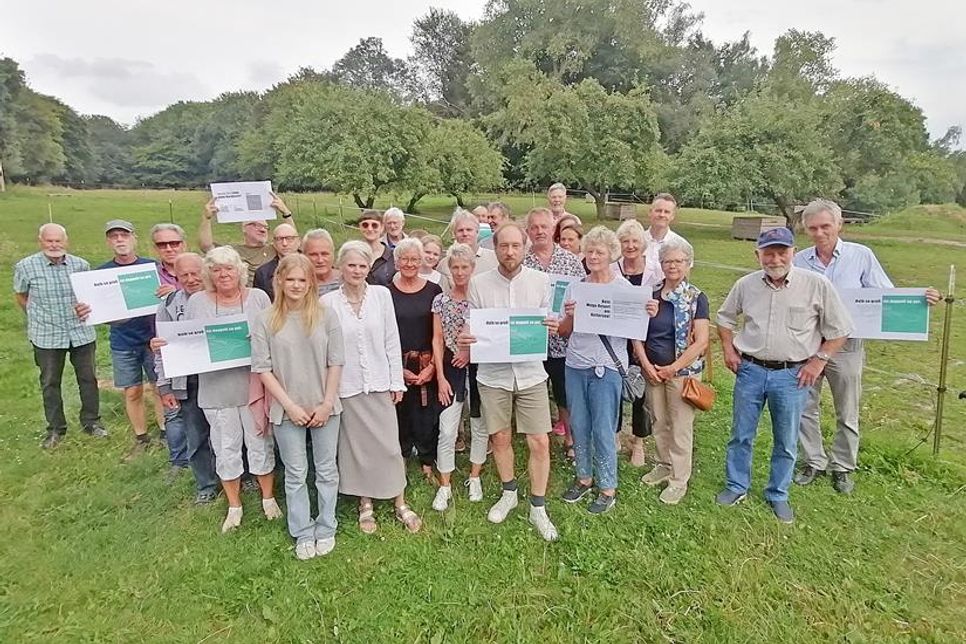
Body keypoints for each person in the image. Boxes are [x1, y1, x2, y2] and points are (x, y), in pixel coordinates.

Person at [792, 199, 942, 494]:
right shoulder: (800, 260)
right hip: (807, 343)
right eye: (813, 228)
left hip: (846, 345)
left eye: (825, 226)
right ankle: (813, 460)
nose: (820, 233)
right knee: (805, 405)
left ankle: (843, 466)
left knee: (846, 408)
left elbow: (885, 294)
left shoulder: (860, 256)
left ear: (839, 225)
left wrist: (920, 298)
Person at [716, 227, 853, 523]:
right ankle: (736, 485)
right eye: (768, 253)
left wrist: (818, 362)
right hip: (750, 370)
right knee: (741, 434)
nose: (775, 259)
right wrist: (728, 348)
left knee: (786, 439)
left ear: (793, 252)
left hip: (792, 375)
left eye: (782, 252)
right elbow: (725, 317)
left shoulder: (816, 285)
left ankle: (778, 493)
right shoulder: (745, 285)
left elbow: (839, 330)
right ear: (758, 255)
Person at [458, 221, 560, 541]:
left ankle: (538, 506)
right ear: (495, 247)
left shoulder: (542, 281)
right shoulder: (478, 284)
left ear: (525, 247)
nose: (510, 251)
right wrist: (467, 336)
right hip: (493, 374)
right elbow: (470, 325)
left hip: (530, 373)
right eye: (504, 246)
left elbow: (550, 321)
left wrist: (553, 325)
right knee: (499, 437)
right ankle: (509, 492)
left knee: (539, 441)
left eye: (516, 245)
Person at [322, 241, 422, 534]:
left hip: (380, 383)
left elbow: (392, 339)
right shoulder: (328, 303)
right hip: (348, 386)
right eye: (351, 265)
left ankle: (399, 501)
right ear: (341, 267)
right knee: (358, 449)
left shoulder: (381, 296)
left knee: (390, 446)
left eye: (362, 265)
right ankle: (365, 503)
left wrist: (396, 381)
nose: (356, 270)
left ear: (369, 268)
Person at [252, 254, 344, 560]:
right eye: (290, 279)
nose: (296, 285)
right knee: (295, 472)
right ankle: (303, 530)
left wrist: (327, 403)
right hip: (286, 408)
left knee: (326, 469)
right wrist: (289, 405)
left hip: (324, 404)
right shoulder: (266, 320)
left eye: (302, 280)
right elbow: (263, 368)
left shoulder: (326, 316)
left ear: (311, 283)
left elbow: (336, 362)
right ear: (279, 280)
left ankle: (327, 525)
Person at [186, 247, 279, 533]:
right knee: (225, 447)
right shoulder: (197, 302)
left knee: (260, 442)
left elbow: (274, 334)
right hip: (216, 388)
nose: (223, 274)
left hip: (253, 385)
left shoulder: (259, 298)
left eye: (229, 268)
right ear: (209, 274)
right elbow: (186, 341)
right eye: (216, 269)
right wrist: (164, 347)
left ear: (239, 271)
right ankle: (234, 505)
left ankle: (268, 498)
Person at [557, 226, 639, 513]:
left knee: (603, 428)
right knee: (578, 425)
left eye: (599, 252)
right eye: (589, 250)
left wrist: (646, 312)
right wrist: (568, 316)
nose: (593, 256)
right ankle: (583, 477)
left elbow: (634, 331)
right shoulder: (575, 286)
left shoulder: (624, 290)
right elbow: (564, 332)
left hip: (607, 367)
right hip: (575, 365)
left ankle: (607, 487)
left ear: (611, 255)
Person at [77, 220, 169, 461]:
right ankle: (141, 437)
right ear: (108, 241)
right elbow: (94, 309)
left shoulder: (152, 267)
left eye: (124, 235)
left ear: (133, 238)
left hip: (153, 336)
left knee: (160, 387)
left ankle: (165, 432)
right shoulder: (99, 274)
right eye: (114, 236)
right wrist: (87, 312)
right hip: (123, 341)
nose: (120, 240)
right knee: (132, 391)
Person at [14, 223, 104, 449]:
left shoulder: (81, 265)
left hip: (80, 332)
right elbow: (21, 296)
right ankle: (55, 428)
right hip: (47, 334)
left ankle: (91, 422)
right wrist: (37, 316)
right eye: (49, 240)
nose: (54, 245)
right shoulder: (26, 266)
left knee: (88, 379)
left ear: (66, 241)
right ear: (40, 241)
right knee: (50, 382)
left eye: (58, 240)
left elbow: (89, 296)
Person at [635, 239, 708, 505]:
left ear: (688, 264)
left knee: (680, 426)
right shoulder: (651, 294)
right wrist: (646, 365)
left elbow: (701, 341)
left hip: (681, 373)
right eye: (667, 261)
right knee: (659, 420)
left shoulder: (696, 297)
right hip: (652, 370)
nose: (673, 266)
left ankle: (679, 479)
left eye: (678, 261)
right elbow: (637, 333)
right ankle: (664, 464)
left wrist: (672, 369)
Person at [151, 253, 219, 502]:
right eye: (184, 276)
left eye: (195, 273)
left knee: (229, 433)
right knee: (196, 435)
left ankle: (240, 478)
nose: (191, 279)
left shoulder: (220, 298)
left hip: (220, 378)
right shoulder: (169, 304)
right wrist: (164, 386)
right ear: (176, 278)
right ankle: (206, 485)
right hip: (188, 381)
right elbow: (161, 349)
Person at [522, 207, 585, 453]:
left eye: (544, 227)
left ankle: (571, 438)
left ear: (553, 229)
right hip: (530, 339)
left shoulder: (570, 261)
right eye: (534, 227)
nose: (539, 231)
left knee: (563, 393)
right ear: (528, 231)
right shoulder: (522, 262)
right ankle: (536, 440)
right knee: (531, 393)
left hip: (563, 341)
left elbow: (582, 295)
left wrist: (572, 312)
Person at [431, 244, 489, 510]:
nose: (460, 272)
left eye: (465, 267)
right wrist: (440, 377)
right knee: (447, 428)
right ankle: (445, 484)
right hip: (450, 367)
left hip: (479, 368)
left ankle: (474, 476)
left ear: (472, 269)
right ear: (449, 269)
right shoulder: (441, 301)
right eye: (455, 267)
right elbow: (438, 339)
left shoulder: (483, 299)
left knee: (479, 424)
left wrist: (470, 352)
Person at [389, 238, 443, 478]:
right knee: (399, 412)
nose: (409, 263)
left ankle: (427, 460)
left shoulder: (434, 291)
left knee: (426, 414)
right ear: (396, 261)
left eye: (414, 259)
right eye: (404, 259)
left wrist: (432, 367)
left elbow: (438, 333)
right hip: (397, 363)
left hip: (426, 362)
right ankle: (399, 457)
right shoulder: (385, 292)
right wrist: (399, 370)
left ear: (421, 261)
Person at [615, 218, 660, 466]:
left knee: (641, 392)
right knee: (614, 386)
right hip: (616, 338)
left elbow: (663, 303)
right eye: (625, 241)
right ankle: (615, 432)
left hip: (645, 337)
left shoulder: (655, 272)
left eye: (635, 241)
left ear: (643, 245)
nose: (630, 246)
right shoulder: (613, 269)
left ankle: (639, 442)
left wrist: (655, 308)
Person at [198, 192, 294, 286]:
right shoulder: (232, 252)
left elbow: (291, 239)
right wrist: (206, 219)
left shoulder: (274, 250)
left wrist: (286, 213)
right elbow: (206, 247)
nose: (262, 230)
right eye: (255, 225)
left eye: (265, 227)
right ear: (244, 228)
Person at [437, 208, 498, 291]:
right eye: (460, 230)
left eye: (469, 230)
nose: (465, 234)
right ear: (454, 234)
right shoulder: (444, 264)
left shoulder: (494, 259)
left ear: (477, 231)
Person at [643, 193, 689, 281]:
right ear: (650, 212)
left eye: (667, 212)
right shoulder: (636, 242)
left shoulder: (682, 246)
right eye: (658, 210)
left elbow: (684, 281)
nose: (662, 215)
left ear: (672, 216)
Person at [253, 222, 301, 301]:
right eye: (279, 239)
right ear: (274, 243)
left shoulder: (312, 265)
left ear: (298, 241)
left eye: (289, 238)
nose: (284, 243)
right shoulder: (262, 273)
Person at [358, 210, 395, 287]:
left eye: (374, 225)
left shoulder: (393, 256)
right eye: (365, 225)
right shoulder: (353, 254)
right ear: (360, 227)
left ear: (382, 228)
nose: (370, 229)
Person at [302, 228, 342, 296]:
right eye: (314, 255)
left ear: (333, 254)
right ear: (304, 256)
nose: (320, 260)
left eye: (324, 254)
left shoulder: (347, 279)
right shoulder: (298, 284)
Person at [151, 223, 188, 288]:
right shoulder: (151, 276)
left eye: (174, 244)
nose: (169, 249)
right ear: (155, 248)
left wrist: (175, 294)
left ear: (184, 245)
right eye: (162, 245)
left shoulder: (200, 271)